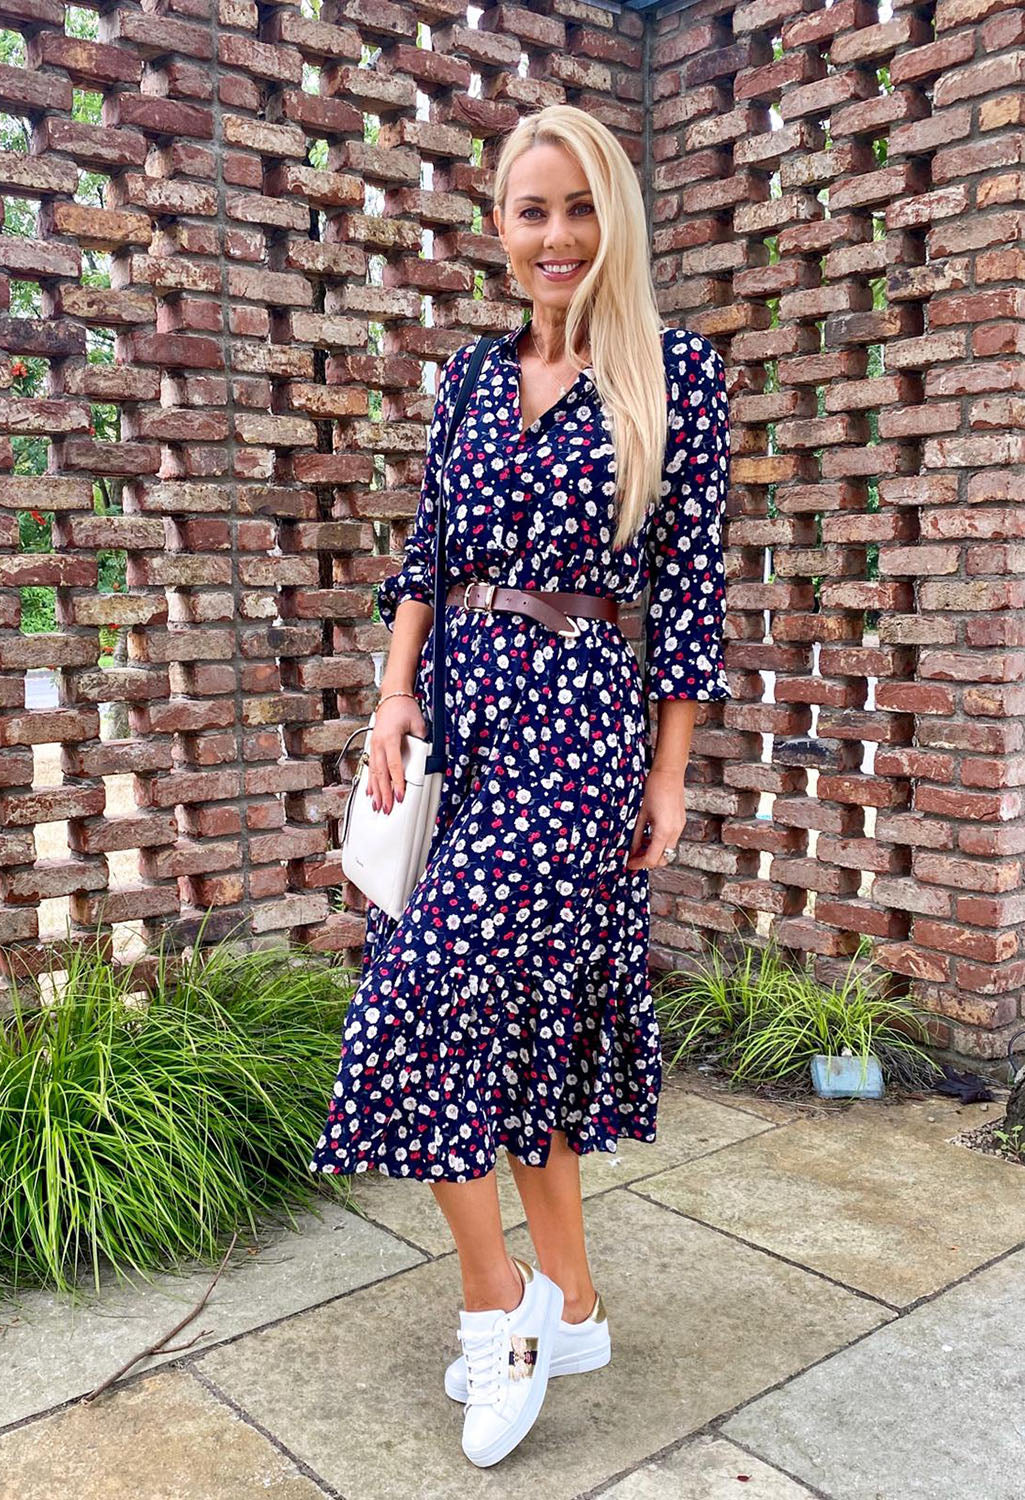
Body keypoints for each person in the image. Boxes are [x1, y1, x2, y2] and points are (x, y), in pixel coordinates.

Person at [308, 103, 731, 1469]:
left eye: (576, 207)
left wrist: (667, 774)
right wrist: (391, 691)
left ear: (614, 220)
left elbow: (688, 596)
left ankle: (501, 1315)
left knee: (438, 993)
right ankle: (577, 1304)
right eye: (529, 210)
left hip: (577, 724)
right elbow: (426, 553)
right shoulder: (472, 379)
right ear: (498, 227)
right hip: (461, 724)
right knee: (508, 1013)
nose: (554, 236)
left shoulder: (675, 377)